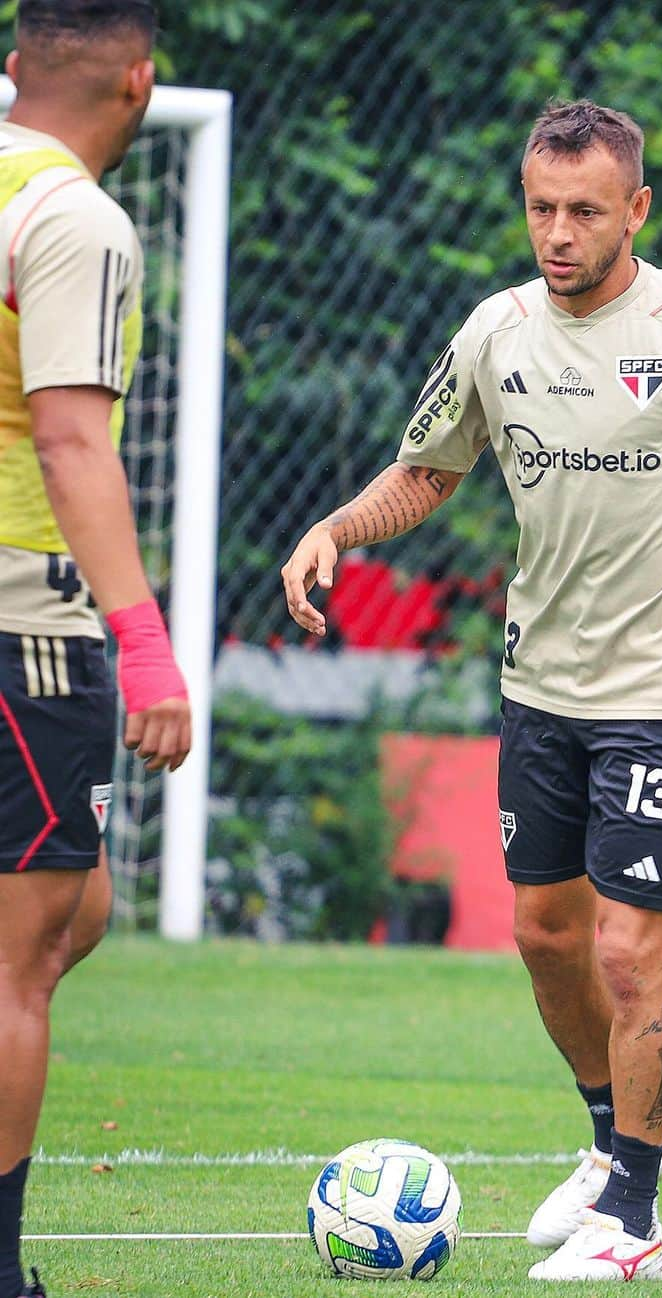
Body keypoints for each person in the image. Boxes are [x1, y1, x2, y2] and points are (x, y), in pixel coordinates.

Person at [282, 99, 662, 1282]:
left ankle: (633, 1218)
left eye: (585, 210)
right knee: (547, 934)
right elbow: (425, 472)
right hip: (543, 680)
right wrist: (339, 525)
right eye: (542, 207)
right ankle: (613, 1141)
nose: (558, 231)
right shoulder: (496, 332)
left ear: (635, 209)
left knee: (635, 951)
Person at [0, 4, 190, 1295]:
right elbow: (70, 438)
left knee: (83, 909)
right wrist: (148, 647)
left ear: (14, 70)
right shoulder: (76, 220)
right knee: (20, 960)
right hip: (27, 627)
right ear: (139, 80)